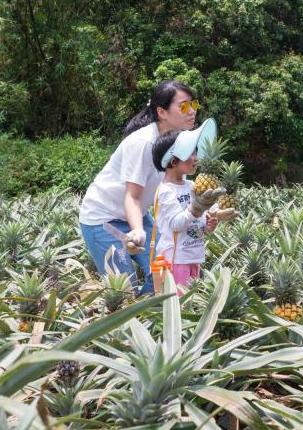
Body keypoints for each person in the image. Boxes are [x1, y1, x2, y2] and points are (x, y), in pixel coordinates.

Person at [78, 80, 200, 295]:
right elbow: (132, 197)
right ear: (162, 112)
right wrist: (137, 230)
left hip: (138, 217)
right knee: (124, 291)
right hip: (104, 221)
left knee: (165, 271)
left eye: (193, 104)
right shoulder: (143, 143)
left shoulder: (179, 142)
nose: (191, 111)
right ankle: (132, 320)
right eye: (183, 106)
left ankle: (149, 320)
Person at [150, 121, 235, 290]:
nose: (196, 158)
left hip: (194, 256)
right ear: (174, 160)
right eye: (191, 153)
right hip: (176, 260)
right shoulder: (166, 191)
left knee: (191, 304)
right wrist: (195, 209)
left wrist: (209, 224)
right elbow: (176, 224)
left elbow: (198, 221)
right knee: (180, 307)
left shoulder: (191, 186)